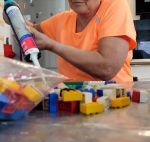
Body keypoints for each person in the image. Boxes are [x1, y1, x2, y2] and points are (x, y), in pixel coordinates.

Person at [6, 0, 137, 83]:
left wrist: (53, 45)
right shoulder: (63, 20)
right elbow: (30, 32)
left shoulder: (115, 6)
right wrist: (13, 18)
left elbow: (107, 68)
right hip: (71, 100)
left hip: (113, 102)